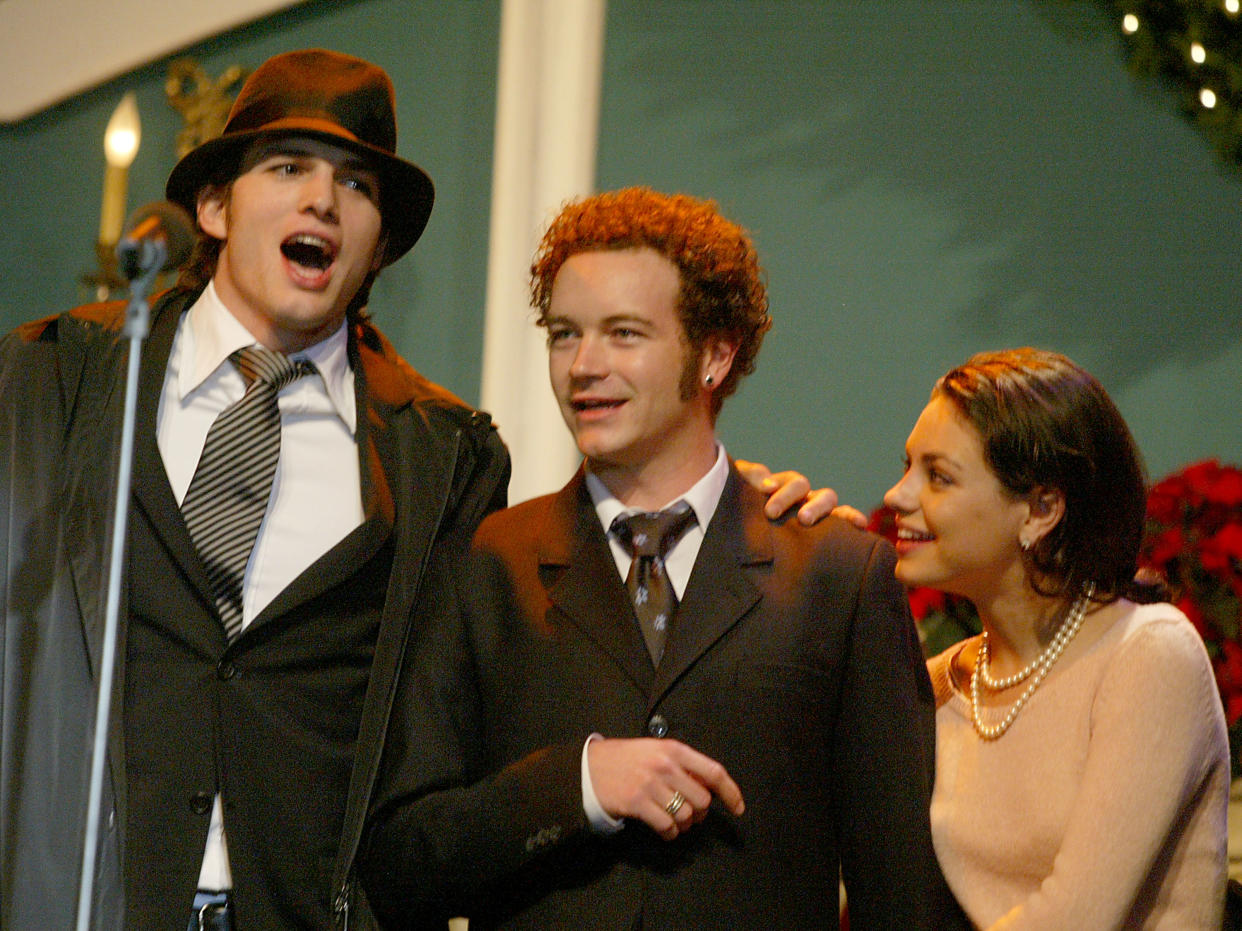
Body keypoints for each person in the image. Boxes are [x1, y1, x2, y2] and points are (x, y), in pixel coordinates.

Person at [0, 52, 832, 930]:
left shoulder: (444, 455)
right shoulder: (56, 379)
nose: (323, 200)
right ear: (214, 206)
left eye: (356, 186)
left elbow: (485, 694)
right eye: (288, 168)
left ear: (379, 243)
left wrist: (731, 512)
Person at [360, 186, 965, 930]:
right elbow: (398, 858)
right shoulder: (486, 564)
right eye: (562, 333)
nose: (583, 364)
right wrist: (576, 785)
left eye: (623, 333)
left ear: (714, 354)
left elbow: (899, 887)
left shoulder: (839, 575)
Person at [882, 348, 1230, 928]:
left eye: (938, 476)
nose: (898, 495)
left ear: (1040, 508)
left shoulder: (1148, 653)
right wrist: (782, 530)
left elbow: (1075, 919)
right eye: (908, 466)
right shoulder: (949, 681)